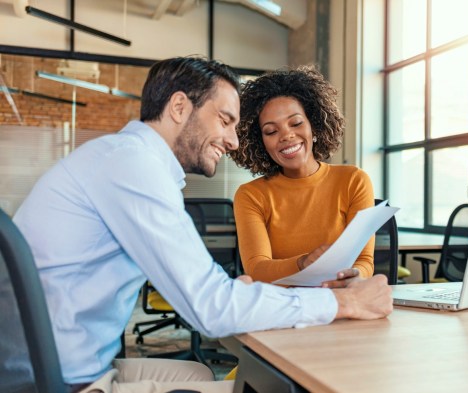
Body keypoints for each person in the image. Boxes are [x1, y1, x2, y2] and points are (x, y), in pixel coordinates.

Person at [13, 56, 392, 393]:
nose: (231, 141)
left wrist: (234, 292)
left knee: (201, 377)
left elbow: (208, 291)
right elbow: (209, 309)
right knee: (265, 387)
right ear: (179, 106)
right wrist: (341, 302)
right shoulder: (132, 167)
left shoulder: (126, 159)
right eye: (225, 120)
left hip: (61, 362)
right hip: (58, 380)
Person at [229, 66, 374, 288]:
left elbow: (364, 262)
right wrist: (303, 263)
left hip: (340, 300)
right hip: (281, 307)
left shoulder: (354, 180)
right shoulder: (251, 195)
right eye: (271, 131)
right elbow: (257, 269)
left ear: (314, 126)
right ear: (260, 142)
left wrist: (354, 276)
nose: (286, 135)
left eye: (296, 123)